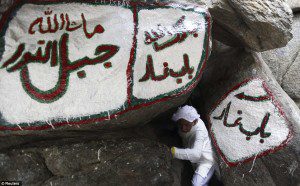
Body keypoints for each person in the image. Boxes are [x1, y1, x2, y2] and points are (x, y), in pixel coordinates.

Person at [171, 105, 215, 186]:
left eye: (187, 125)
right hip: (194, 160)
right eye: (181, 124)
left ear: (195, 122)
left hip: (206, 161)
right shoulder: (184, 125)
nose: (183, 128)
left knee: (197, 184)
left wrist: (174, 152)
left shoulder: (200, 131)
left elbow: (195, 154)